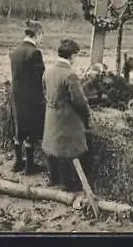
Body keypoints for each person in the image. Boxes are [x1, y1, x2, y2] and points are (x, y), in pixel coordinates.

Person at [42, 39, 91, 191]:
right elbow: (79, 102)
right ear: (72, 57)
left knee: (52, 146)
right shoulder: (70, 75)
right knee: (68, 149)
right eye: (76, 56)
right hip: (66, 118)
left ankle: (52, 178)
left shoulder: (48, 71)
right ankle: (67, 183)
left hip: (51, 115)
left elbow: (44, 90)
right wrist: (86, 116)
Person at [9, 19, 45, 175]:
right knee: (31, 131)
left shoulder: (15, 51)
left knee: (19, 128)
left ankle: (17, 162)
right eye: (41, 35)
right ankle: (30, 166)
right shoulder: (35, 52)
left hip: (16, 95)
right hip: (31, 97)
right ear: (37, 34)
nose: (41, 38)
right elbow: (40, 78)